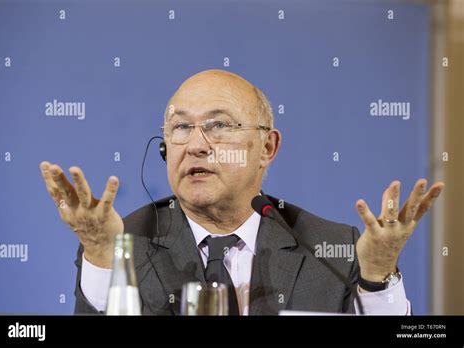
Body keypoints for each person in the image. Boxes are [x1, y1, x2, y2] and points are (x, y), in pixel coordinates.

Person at [39, 69, 444, 315]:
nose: (196, 144)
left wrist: (377, 276)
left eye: (218, 126)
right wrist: (98, 251)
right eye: (180, 128)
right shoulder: (125, 242)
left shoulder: (330, 247)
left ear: (266, 148)